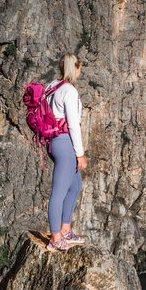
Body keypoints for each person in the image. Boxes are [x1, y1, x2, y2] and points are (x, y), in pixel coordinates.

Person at [45, 53, 88, 251]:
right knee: (59, 192)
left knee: (75, 186)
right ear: (75, 68)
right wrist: (80, 153)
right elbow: (73, 125)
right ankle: (55, 238)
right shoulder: (69, 91)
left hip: (55, 142)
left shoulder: (52, 86)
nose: (80, 71)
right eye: (80, 67)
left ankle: (65, 230)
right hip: (65, 143)